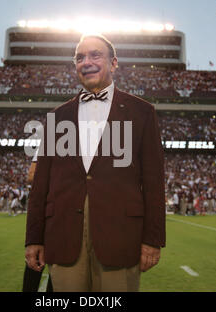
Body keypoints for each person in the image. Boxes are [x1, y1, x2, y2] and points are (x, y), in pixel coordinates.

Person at [25, 34, 165, 292]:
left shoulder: (142, 112)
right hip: (64, 235)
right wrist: (33, 238)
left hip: (120, 237)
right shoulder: (58, 116)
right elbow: (41, 185)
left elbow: (154, 182)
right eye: (80, 57)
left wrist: (153, 239)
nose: (86, 62)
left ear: (114, 63)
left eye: (95, 55)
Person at [22, 148, 53, 292]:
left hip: (65, 216)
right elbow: (32, 175)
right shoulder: (51, 141)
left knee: (60, 269)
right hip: (47, 213)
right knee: (35, 264)